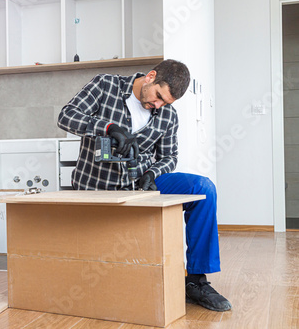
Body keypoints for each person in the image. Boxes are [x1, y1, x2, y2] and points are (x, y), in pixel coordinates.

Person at [57, 59, 232, 312]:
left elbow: (169, 157)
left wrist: (152, 173)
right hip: (97, 187)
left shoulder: (167, 115)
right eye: (158, 96)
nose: (157, 105)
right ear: (150, 76)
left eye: (165, 103)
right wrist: (107, 127)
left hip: (141, 184)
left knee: (203, 188)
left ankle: (195, 281)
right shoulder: (106, 85)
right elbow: (66, 116)